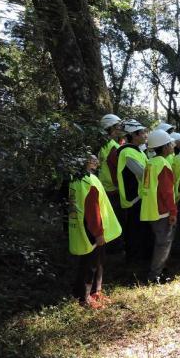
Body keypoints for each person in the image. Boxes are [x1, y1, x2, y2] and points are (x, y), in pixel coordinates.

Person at [68, 155, 122, 309]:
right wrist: (98, 233)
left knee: (95, 262)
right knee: (90, 264)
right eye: (93, 160)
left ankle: (95, 292)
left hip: (83, 226)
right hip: (92, 229)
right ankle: (84, 298)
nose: (97, 162)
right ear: (86, 163)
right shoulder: (88, 181)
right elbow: (92, 210)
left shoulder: (75, 179)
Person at [140, 130, 177, 283]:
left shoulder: (151, 163)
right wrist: (173, 211)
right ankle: (154, 276)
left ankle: (160, 271)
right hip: (161, 210)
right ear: (164, 147)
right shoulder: (163, 164)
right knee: (163, 244)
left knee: (160, 242)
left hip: (150, 209)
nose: (172, 146)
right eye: (170, 144)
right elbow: (167, 192)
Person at [116, 119, 150, 262]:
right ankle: (133, 259)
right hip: (134, 198)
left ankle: (138, 256)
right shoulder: (128, 152)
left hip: (141, 196)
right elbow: (143, 173)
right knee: (134, 230)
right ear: (134, 135)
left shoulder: (138, 151)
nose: (145, 135)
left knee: (139, 230)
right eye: (142, 133)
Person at [98, 114, 124, 253]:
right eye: (117, 126)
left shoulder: (102, 144)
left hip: (103, 186)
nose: (120, 128)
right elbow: (114, 169)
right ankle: (115, 247)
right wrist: (119, 186)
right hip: (113, 189)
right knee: (115, 218)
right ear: (111, 128)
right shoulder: (113, 146)